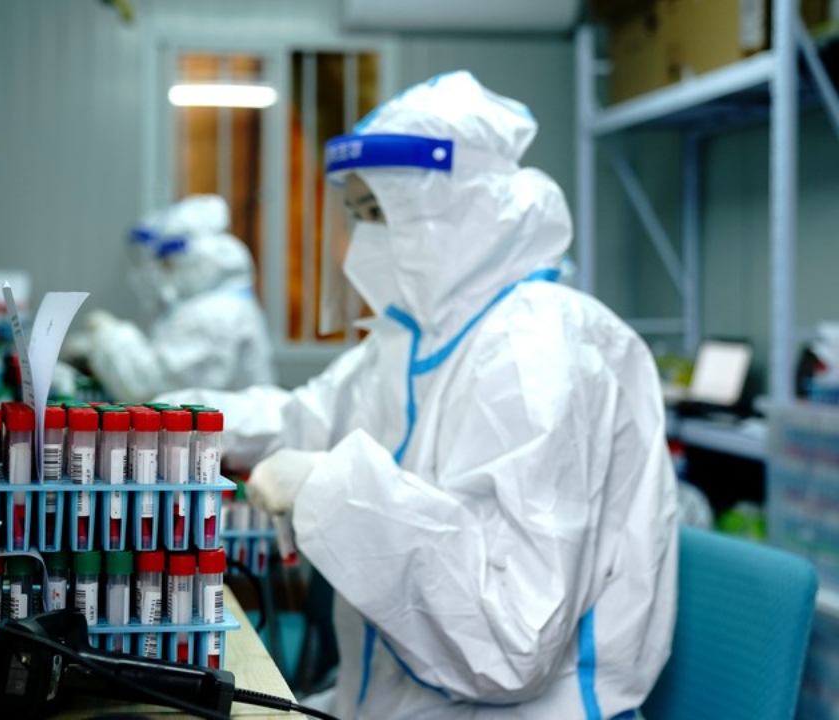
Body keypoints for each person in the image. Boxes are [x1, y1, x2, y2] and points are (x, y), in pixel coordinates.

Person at [160, 71, 678, 718]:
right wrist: (162, 419)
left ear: (461, 209)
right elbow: (301, 417)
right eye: (355, 214)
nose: (360, 241)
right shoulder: (413, 341)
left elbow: (512, 641)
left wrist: (330, 488)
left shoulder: (539, 350)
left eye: (380, 213)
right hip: (390, 698)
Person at [83, 194, 276, 403]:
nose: (164, 273)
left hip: (223, 434)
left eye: (169, 263)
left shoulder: (213, 315)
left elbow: (147, 386)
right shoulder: (219, 304)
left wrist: (109, 335)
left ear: (196, 259)